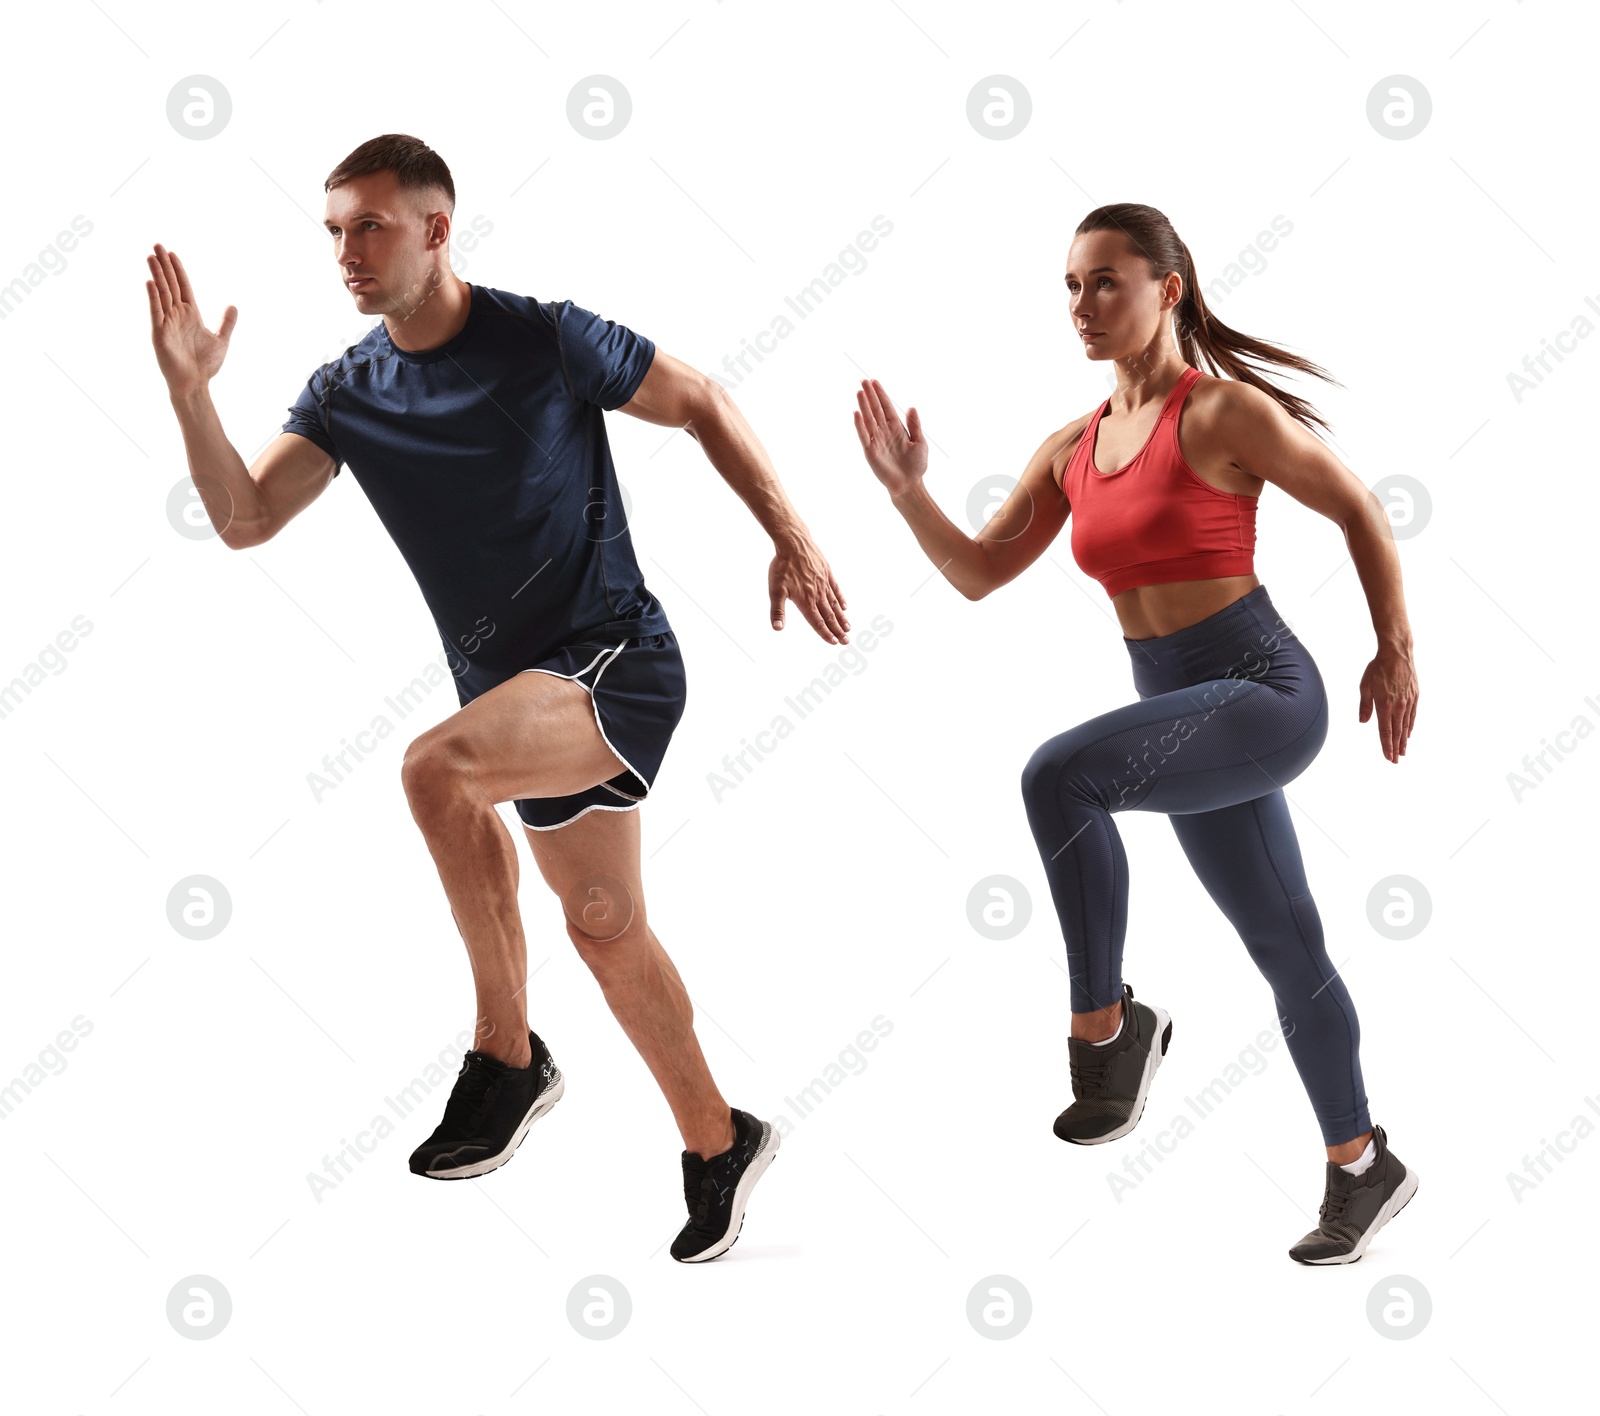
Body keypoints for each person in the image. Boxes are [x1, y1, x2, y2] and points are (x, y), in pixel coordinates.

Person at [147, 133, 849, 1263]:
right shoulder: (347, 389)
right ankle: (720, 1142)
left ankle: (505, 1058)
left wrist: (792, 536)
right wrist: (191, 398)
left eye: (370, 225)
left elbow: (701, 398)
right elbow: (244, 518)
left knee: (436, 768)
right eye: (332, 230)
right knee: (605, 930)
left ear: (435, 227)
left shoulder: (546, 337)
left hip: (615, 660)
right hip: (519, 699)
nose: (347, 253)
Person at [852, 203, 1420, 1265]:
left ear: (1168, 289)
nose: (1083, 305)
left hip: (1261, 691)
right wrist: (908, 493)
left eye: (1107, 281)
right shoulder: (1069, 448)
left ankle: (1105, 1029)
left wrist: (1392, 647)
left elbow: (1356, 507)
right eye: (1070, 285)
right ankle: (1361, 1164)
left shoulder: (1219, 416)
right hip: (1183, 717)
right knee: (1286, 947)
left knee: (1057, 778)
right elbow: (979, 573)